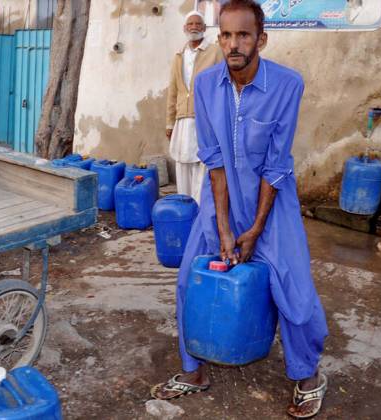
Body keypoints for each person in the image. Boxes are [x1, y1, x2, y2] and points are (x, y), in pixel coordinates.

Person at [152, 1, 329, 418]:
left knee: (294, 293)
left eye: (243, 35)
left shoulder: (288, 85)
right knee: (188, 281)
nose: (234, 44)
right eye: (227, 35)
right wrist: (225, 228)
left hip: (273, 198)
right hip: (220, 198)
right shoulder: (206, 84)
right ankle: (195, 370)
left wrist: (255, 228)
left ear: (260, 39)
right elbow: (214, 162)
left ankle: (308, 375)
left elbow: (275, 163)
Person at [166, 11, 223, 203]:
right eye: (190, 24)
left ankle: (202, 208)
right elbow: (173, 92)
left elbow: (223, 86)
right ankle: (185, 204)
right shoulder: (178, 56)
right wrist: (169, 123)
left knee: (202, 163)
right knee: (182, 162)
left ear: (205, 28)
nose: (194, 27)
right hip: (183, 119)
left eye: (198, 24)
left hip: (205, 118)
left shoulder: (215, 52)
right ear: (184, 28)